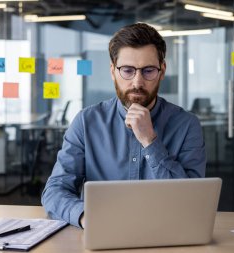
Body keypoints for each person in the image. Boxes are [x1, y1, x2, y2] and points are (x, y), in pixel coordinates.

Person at [41, 23, 206, 228]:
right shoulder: (86, 122)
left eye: (148, 71)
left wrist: (150, 141)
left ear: (162, 71)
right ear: (113, 71)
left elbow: (191, 202)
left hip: (167, 232)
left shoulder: (187, 125)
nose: (137, 82)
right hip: (103, 231)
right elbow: (55, 190)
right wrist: (85, 217)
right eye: (127, 70)